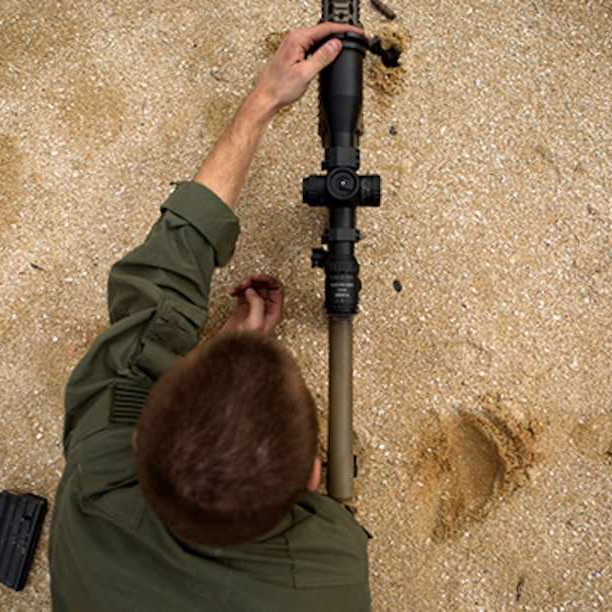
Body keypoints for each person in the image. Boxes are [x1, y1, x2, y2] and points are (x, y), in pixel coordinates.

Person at [48, 22, 371, 611]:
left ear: (140, 438)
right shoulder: (334, 577)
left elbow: (161, 280)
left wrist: (261, 101)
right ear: (313, 479)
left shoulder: (94, 477)